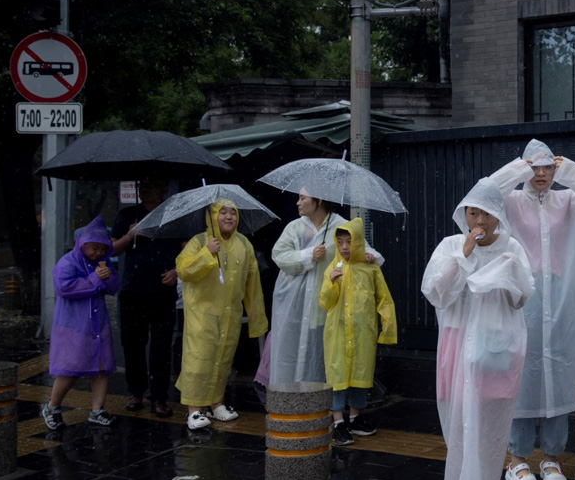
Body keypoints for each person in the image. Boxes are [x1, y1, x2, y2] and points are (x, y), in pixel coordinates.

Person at [489, 139, 575, 480]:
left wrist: (570, 170)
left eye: (547, 168)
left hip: (560, 301)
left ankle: (552, 456)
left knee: (559, 373)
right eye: (535, 168)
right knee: (521, 372)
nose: (541, 174)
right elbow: (484, 194)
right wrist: (518, 168)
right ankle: (517, 459)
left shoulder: (568, 201)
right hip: (523, 298)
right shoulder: (512, 202)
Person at [421, 178, 534, 480]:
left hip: (495, 349)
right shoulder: (451, 245)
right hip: (457, 347)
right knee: (460, 427)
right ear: (464, 214)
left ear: (499, 215)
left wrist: (510, 274)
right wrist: (464, 255)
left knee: (489, 427)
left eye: (486, 213)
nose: (479, 220)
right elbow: (436, 292)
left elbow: (521, 298)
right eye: (473, 212)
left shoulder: (512, 247)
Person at [256, 191, 382, 388]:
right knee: (290, 351)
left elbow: (365, 251)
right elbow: (279, 255)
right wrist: (308, 255)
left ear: (319, 200)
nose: (298, 203)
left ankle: (321, 397)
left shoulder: (341, 226)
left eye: (303, 198)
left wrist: (367, 257)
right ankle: (290, 395)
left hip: (325, 302)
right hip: (294, 302)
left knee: (324, 352)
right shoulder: (294, 227)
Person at [175, 200, 268, 430]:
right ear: (211, 216)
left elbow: (252, 283)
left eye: (233, 213)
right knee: (199, 360)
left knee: (223, 359)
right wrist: (207, 253)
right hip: (202, 315)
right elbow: (184, 270)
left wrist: (256, 317)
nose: (229, 217)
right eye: (223, 212)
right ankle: (194, 409)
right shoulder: (199, 241)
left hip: (230, 315)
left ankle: (216, 403)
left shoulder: (244, 244)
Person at [319, 217, 397, 444]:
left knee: (360, 375)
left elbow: (384, 298)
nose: (344, 247)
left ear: (360, 242)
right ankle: (338, 422)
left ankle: (355, 418)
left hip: (362, 333)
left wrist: (388, 327)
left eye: (349, 241)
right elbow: (324, 301)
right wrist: (331, 283)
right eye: (340, 242)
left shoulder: (370, 268)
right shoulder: (333, 267)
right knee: (338, 376)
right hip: (338, 333)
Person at [42, 215, 121, 430]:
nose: (99, 253)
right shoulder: (67, 262)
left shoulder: (103, 263)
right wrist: (96, 278)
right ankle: (52, 407)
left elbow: (113, 287)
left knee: (101, 369)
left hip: (98, 324)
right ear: (82, 243)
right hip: (73, 326)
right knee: (70, 370)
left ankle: (97, 410)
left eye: (103, 249)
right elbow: (64, 288)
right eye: (95, 248)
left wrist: (107, 277)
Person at [111, 181, 180, 418]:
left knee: (161, 345)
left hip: (162, 291)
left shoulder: (173, 214)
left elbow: (188, 248)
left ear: (164, 188)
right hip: (133, 290)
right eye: (142, 185)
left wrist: (177, 271)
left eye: (152, 184)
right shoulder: (128, 214)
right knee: (132, 344)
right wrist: (131, 235)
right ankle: (136, 391)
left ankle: (159, 397)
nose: (145, 189)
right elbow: (112, 249)